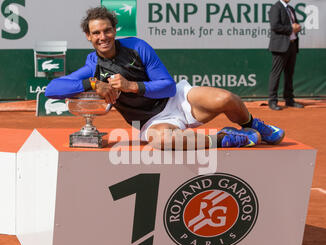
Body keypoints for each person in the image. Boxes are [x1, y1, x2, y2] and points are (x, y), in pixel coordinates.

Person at [45, 6, 285, 150]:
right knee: (162, 142)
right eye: (96, 33)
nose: (103, 36)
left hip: (178, 100)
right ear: (88, 36)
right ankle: (223, 139)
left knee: (225, 98)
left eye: (107, 30)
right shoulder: (93, 65)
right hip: (151, 121)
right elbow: (52, 89)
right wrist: (93, 83)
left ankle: (252, 125)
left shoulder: (137, 46)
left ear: (115, 30)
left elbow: (168, 87)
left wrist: (132, 86)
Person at [267, 0, 304, 110]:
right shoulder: (276, 7)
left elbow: (295, 24)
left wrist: (297, 27)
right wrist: (291, 28)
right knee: (276, 74)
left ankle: (289, 100)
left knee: (289, 74)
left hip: (292, 45)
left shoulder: (291, 9)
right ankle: (272, 101)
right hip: (280, 46)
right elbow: (275, 26)